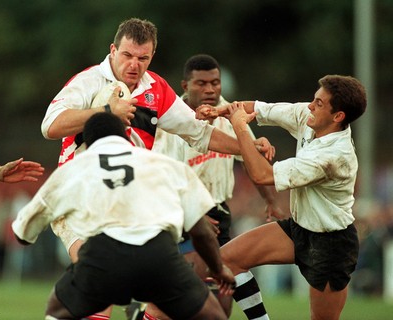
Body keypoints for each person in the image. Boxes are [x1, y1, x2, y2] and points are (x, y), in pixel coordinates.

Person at [41, 18, 272, 319]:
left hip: (130, 202)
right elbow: (50, 126)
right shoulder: (88, 82)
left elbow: (199, 133)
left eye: (143, 58)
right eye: (127, 55)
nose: (134, 64)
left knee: (165, 297)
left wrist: (247, 147)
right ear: (113, 50)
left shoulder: (157, 89)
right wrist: (106, 111)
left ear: (151, 57)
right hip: (80, 196)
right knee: (98, 282)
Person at [12, 112, 236, 320]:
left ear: (88, 144)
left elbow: (22, 233)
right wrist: (218, 269)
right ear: (126, 138)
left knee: (57, 309)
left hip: (104, 257)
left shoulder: (75, 167)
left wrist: (26, 234)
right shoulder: (162, 163)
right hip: (159, 256)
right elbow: (202, 232)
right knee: (213, 315)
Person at [197, 74, 367, 319]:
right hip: (298, 229)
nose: (310, 105)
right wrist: (221, 111)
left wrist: (239, 126)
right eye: (314, 98)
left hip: (331, 245)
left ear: (338, 116)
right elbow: (258, 108)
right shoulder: (310, 118)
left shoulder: (334, 157)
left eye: (319, 103)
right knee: (224, 261)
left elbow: (261, 174)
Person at [143, 54, 283, 320]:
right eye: (201, 83)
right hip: (180, 216)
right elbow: (160, 179)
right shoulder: (173, 122)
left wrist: (271, 200)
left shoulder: (231, 114)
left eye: (215, 83)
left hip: (218, 212)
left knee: (221, 303)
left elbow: (250, 160)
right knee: (192, 294)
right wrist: (192, 215)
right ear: (185, 86)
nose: (210, 90)